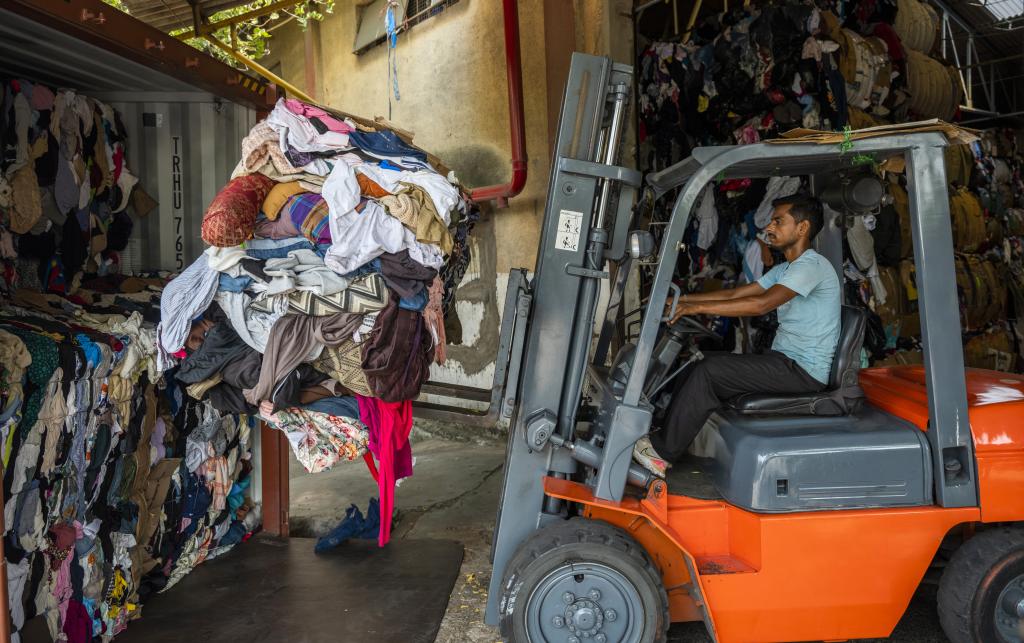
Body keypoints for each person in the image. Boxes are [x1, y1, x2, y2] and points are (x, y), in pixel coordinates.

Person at [634, 194, 841, 477]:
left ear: (802, 228)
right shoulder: (786, 268)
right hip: (784, 362)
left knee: (709, 371)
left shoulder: (811, 266)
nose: (770, 227)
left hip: (802, 371)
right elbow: (736, 293)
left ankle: (661, 453)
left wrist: (693, 307)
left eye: (778, 221)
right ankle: (662, 433)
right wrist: (685, 302)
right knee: (699, 361)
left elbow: (761, 305)